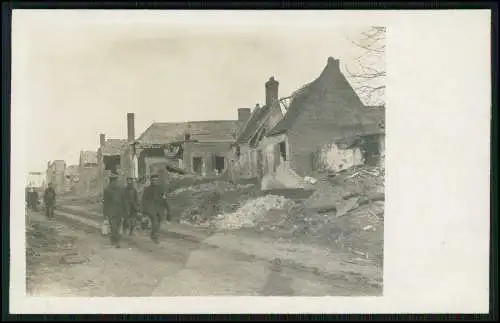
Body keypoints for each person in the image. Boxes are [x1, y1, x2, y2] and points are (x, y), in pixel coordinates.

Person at [141, 174, 171, 244]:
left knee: (158, 224)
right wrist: (144, 211)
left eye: (156, 180)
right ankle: (154, 236)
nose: (154, 181)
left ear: (158, 181)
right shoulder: (147, 189)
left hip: (160, 209)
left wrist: (167, 208)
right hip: (151, 210)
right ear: (151, 181)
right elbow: (144, 201)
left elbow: (164, 199)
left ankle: (154, 234)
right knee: (155, 223)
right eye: (153, 180)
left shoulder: (161, 188)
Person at [103, 173, 124, 248]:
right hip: (111, 212)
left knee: (117, 227)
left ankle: (113, 239)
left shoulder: (120, 190)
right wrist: (105, 214)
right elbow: (105, 203)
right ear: (111, 181)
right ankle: (117, 242)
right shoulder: (107, 190)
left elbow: (123, 201)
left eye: (116, 181)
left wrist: (124, 211)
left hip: (119, 211)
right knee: (113, 227)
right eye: (113, 181)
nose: (115, 182)